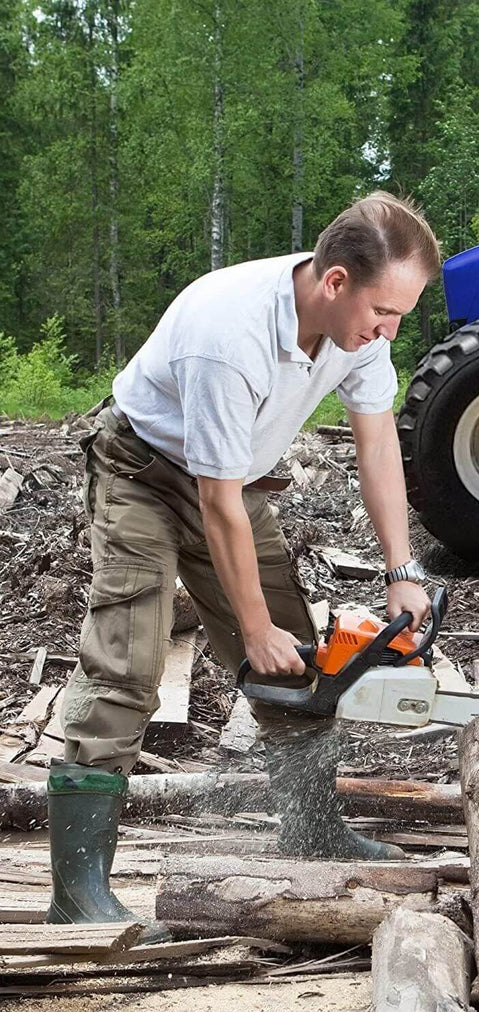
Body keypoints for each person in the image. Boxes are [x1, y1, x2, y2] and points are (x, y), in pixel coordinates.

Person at [46, 192, 440, 942]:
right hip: (145, 473)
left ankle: (312, 831)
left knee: (299, 656)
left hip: (234, 482)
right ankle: (78, 891)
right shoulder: (230, 333)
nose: (390, 329)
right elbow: (214, 502)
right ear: (334, 283)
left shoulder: (360, 330)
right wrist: (248, 628)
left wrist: (403, 569)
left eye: (400, 315)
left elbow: (378, 443)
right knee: (129, 658)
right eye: (385, 312)